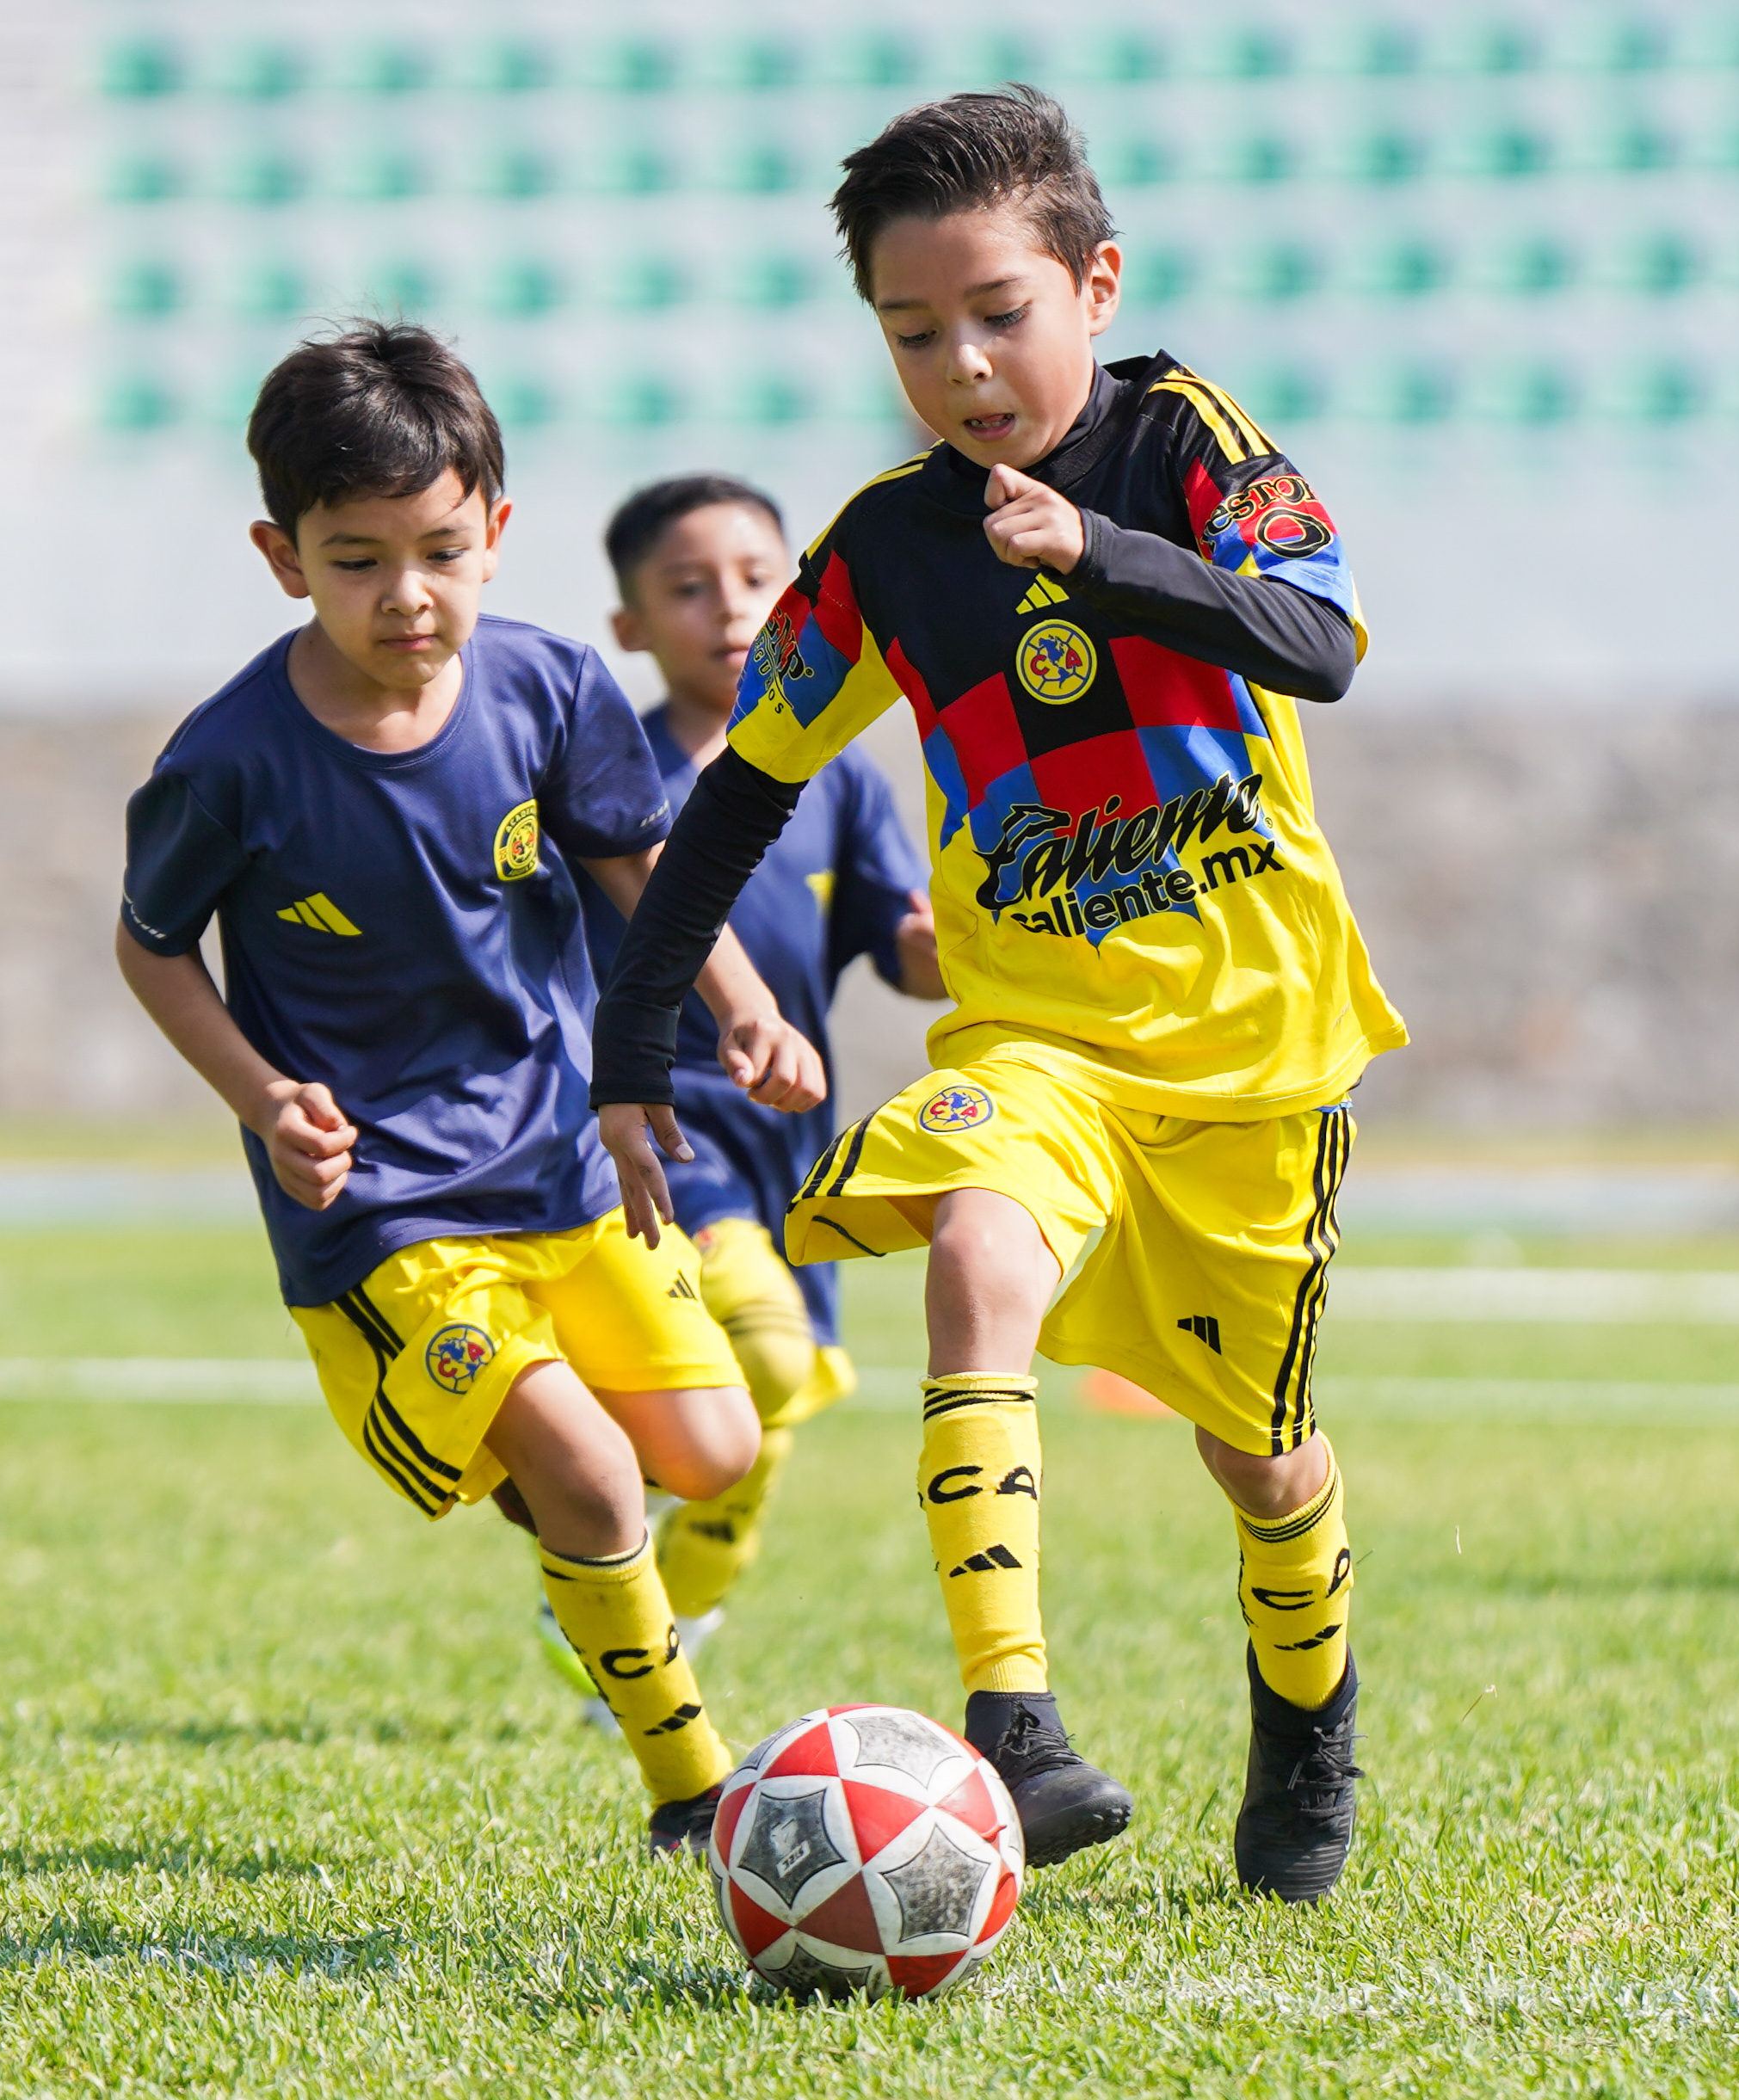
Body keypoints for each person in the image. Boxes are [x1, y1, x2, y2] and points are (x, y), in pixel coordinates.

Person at [589, 89, 1404, 1902]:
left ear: (1093, 285)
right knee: (974, 1248)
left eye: (997, 315)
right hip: (1033, 1039)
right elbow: (739, 790)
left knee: (1258, 1464)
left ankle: (1308, 1719)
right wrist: (629, 1035)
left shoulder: (1186, 444)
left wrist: (1099, 556)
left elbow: (1323, 641)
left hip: (1250, 1060)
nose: (960, 366)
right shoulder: (882, 549)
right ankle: (1013, 1732)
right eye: (911, 333)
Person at [114, 323, 825, 1856]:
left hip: (562, 1168)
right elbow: (151, 947)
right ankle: (689, 1786)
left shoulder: (551, 688)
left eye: (441, 549)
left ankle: (568, 1525)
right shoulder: (230, 760)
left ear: (496, 534)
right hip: (383, 1207)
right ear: (281, 556)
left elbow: (638, 865)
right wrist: (259, 1095)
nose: (408, 594)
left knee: (708, 1451)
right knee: (585, 1469)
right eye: (357, 558)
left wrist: (747, 1007)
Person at [528, 476, 940, 1718]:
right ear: (629, 628)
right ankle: (615, 1531)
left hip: (786, 1143)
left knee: (785, 1388)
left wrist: (987, 925)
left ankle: (645, 1599)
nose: (730, 608)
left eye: (759, 578)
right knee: (761, 1346)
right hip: (652, 1131)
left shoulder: (841, 779)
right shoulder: (610, 780)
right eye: (687, 586)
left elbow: (904, 948)